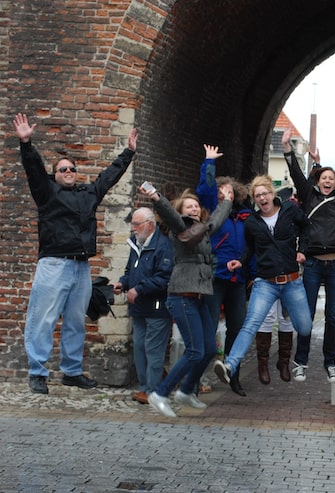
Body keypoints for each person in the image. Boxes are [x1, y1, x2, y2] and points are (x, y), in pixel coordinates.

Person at [13, 113, 138, 394]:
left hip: (80, 266)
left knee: (75, 321)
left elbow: (108, 178)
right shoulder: (47, 192)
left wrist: (128, 153)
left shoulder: (87, 194)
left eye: (72, 168)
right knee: (43, 319)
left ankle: (71, 371)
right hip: (54, 264)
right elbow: (33, 170)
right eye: (63, 169)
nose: (68, 172)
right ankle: (37, 371)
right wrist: (26, 144)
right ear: (55, 175)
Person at [141, 156, 234, 418]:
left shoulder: (202, 230)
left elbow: (215, 222)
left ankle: (186, 391)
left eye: (195, 206)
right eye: (188, 206)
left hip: (199, 296)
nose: (193, 209)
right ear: (182, 210)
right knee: (194, 350)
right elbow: (169, 214)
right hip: (181, 296)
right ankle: (160, 394)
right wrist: (157, 197)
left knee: (208, 349)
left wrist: (227, 201)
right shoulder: (180, 228)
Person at [213, 176, 313, 396]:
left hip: (291, 281)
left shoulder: (289, 210)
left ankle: (287, 307)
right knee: (250, 324)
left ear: (272, 193)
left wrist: (302, 250)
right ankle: (230, 365)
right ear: (254, 199)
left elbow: (307, 227)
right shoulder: (252, 222)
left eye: (264, 193)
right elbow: (250, 248)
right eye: (257, 196)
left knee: (305, 328)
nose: (262, 198)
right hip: (265, 283)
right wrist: (241, 261)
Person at [282, 122, 335, 383]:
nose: (328, 181)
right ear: (317, 181)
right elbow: (296, 174)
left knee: (331, 316)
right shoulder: (309, 197)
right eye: (324, 178)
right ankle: (301, 361)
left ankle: (330, 362)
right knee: (306, 315)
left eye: (331, 178)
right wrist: (287, 149)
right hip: (312, 264)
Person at [196, 147, 253, 396]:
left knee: (237, 329)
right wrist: (209, 163)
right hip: (215, 277)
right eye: (220, 191)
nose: (224, 194)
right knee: (209, 328)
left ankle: (233, 374)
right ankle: (199, 378)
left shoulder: (245, 216)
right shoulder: (212, 210)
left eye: (228, 192)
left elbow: (253, 245)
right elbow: (205, 189)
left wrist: (248, 269)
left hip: (238, 280)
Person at [114, 207, 174, 405]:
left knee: (153, 350)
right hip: (139, 308)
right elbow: (130, 271)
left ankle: (153, 390)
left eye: (136, 224)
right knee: (140, 348)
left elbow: (164, 278)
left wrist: (139, 289)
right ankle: (144, 387)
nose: (133, 228)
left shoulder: (163, 246)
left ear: (149, 225)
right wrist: (123, 283)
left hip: (157, 308)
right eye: (132, 224)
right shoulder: (136, 244)